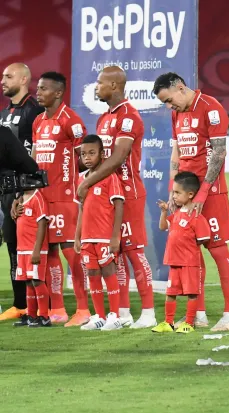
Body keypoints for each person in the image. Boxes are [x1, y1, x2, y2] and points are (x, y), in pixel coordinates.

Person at [154, 72, 229, 332]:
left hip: (210, 195)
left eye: (169, 100)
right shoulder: (176, 113)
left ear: (180, 87)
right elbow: (176, 152)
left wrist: (202, 195)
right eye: (165, 103)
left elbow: (220, 153)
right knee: (191, 256)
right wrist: (173, 189)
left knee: (218, 251)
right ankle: (198, 314)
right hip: (184, 196)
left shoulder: (211, 108)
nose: (169, 106)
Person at [76, 66, 155, 329]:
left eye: (99, 83)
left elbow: (119, 157)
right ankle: (121, 313)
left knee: (133, 252)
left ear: (113, 85)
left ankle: (148, 312)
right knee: (114, 254)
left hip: (128, 193)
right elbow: (98, 160)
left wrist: (87, 182)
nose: (96, 87)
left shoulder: (129, 116)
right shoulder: (103, 119)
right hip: (105, 195)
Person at [28, 72, 87, 325]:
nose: (38, 92)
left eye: (43, 89)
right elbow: (33, 159)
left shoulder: (71, 121)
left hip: (65, 198)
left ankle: (84, 309)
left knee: (72, 253)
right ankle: (59, 309)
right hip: (42, 198)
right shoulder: (38, 121)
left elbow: (85, 157)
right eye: (38, 88)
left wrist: (75, 184)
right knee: (49, 252)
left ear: (59, 92)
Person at [0, 62, 44, 322]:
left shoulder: (34, 112)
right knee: (12, 248)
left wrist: (26, 189)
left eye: (8, 76)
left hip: (25, 189)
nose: (3, 80)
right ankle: (20, 303)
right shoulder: (4, 113)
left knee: (28, 247)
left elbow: (35, 153)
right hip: (6, 190)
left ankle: (40, 304)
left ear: (25, 78)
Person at [74, 135, 124, 331]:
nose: (87, 158)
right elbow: (81, 210)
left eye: (92, 153)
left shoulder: (109, 177)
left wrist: (115, 236)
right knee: (92, 274)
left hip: (104, 236)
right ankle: (99, 316)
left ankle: (115, 316)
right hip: (87, 237)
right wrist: (77, 236)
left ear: (102, 154)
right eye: (83, 154)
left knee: (108, 271)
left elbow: (119, 205)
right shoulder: (81, 179)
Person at [151, 172, 211, 334]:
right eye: (173, 192)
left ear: (190, 194)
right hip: (174, 261)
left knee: (192, 293)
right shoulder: (176, 214)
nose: (174, 196)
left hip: (190, 262)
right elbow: (163, 227)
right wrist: (164, 212)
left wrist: (187, 248)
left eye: (177, 193)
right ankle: (168, 322)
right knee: (171, 293)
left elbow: (204, 238)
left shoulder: (196, 216)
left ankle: (189, 323)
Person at [13, 188, 50, 327]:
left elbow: (42, 224)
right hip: (22, 249)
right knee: (28, 282)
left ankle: (44, 317)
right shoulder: (21, 198)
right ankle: (32, 315)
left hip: (34, 249)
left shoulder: (38, 197)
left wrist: (37, 250)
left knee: (37, 281)